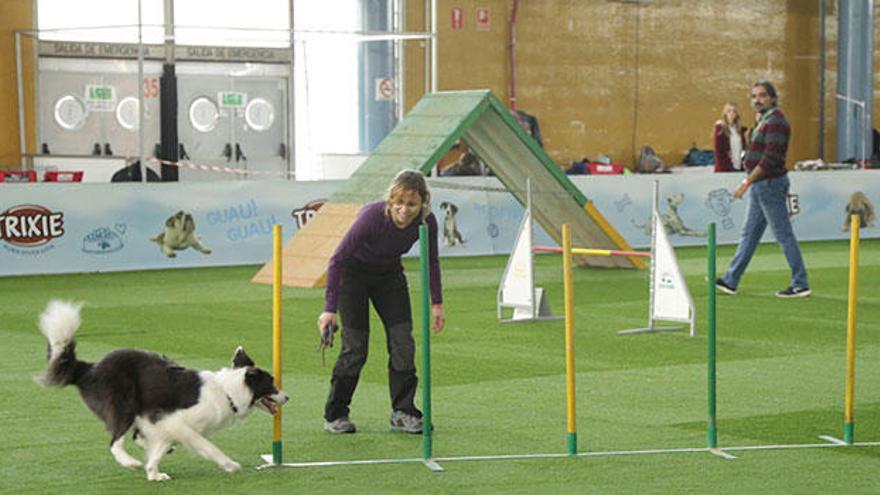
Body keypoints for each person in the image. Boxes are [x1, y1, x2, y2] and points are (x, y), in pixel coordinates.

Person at [317, 169, 445, 434]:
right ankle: (336, 414)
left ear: (423, 202)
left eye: (412, 204)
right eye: (398, 202)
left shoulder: (426, 222)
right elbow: (337, 260)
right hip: (353, 275)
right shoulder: (372, 216)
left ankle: (403, 412)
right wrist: (329, 309)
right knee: (355, 348)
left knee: (403, 342)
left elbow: (431, 261)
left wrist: (437, 304)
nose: (404, 210)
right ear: (390, 200)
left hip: (389, 276)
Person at [715, 80, 811, 298]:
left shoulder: (776, 122)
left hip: (769, 184)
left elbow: (769, 160)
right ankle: (731, 280)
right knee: (749, 234)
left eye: (762, 96)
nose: (757, 100)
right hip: (762, 185)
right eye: (754, 96)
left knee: (783, 234)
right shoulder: (765, 121)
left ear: (772, 98)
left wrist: (745, 184)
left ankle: (800, 283)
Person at [713, 102, 748, 172]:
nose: (731, 113)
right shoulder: (720, 128)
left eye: (734, 111)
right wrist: (725, 168)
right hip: (725, 169)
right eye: (729, 111)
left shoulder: (739, 130)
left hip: (738, 167)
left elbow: (743, 148)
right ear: (725, 113)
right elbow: (718, 152)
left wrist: (743, 162)